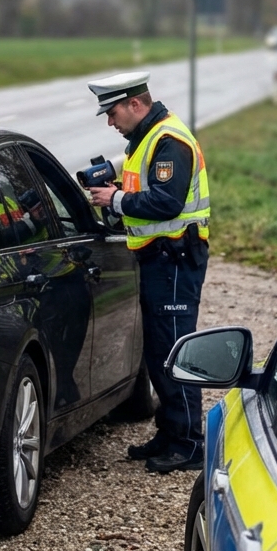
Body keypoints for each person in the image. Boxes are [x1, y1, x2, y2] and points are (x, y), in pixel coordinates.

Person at [84, 71, 210, 474]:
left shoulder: (169, 140)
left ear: (135, 104)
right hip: (159, 259)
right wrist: (120, 190)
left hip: (174, 259)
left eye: (113, 111)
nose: (110, 121)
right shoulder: (148, 138)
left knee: (175, 350)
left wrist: (116, 198)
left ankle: (190, 442)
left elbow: (166, 203)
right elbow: (153, 193)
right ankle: (170, 432)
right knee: (159, 351)